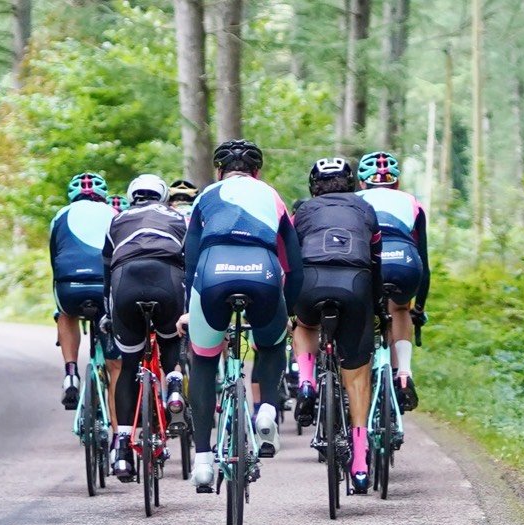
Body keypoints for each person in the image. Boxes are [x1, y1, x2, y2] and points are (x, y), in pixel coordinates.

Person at [183, 139, 302, 492]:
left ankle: (203, 461)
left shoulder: (206, 196)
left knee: (203, 360)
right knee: (270, 343)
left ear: (219, 171)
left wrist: (188, 307)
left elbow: (189, 260)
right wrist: (289, 312)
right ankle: (265, 409)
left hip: (212, 275)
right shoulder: (272, 197)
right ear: (257, 172)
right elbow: (293, 264)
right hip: (262, 274)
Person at [290, 157, 382, 494]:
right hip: (355, 281)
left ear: (313, 187)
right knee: (356, 375)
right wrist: (377, 308)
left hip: (311, 279)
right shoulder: (365, 209)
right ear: (353, 184)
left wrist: (288, 303)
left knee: (303, 324)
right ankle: (359, 464)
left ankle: (306, 381)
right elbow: (376, 261)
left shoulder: (302, 212)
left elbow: (289, 257)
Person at [102, 174, 188, 481]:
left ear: (131, 195)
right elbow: (189, 262)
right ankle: (175, 385)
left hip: (126, 281)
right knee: (170, 341)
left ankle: (123, 448)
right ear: (163, 196)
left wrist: (107, 313)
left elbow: (107, 267)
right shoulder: (177, 217)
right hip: (167, 279)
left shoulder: (118, 219)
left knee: (127, 365)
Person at [355, 151, 429, 412]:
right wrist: (418, 308)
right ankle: (404, 373)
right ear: (396, 183)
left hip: (367, 260)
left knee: (359, 311)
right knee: (399, 309)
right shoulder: (412, 202)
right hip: (404, 260)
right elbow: (425, 260)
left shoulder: (354, 200)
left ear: (362, 182)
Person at [50, 172, 121, 412]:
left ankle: (71, 372)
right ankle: (117, 437)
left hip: (70, 287)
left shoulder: (60, 215)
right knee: (116, 367)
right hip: (105, 288)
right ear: (104, 196)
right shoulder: (115, 214)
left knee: (64, 312)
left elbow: (54, 260)